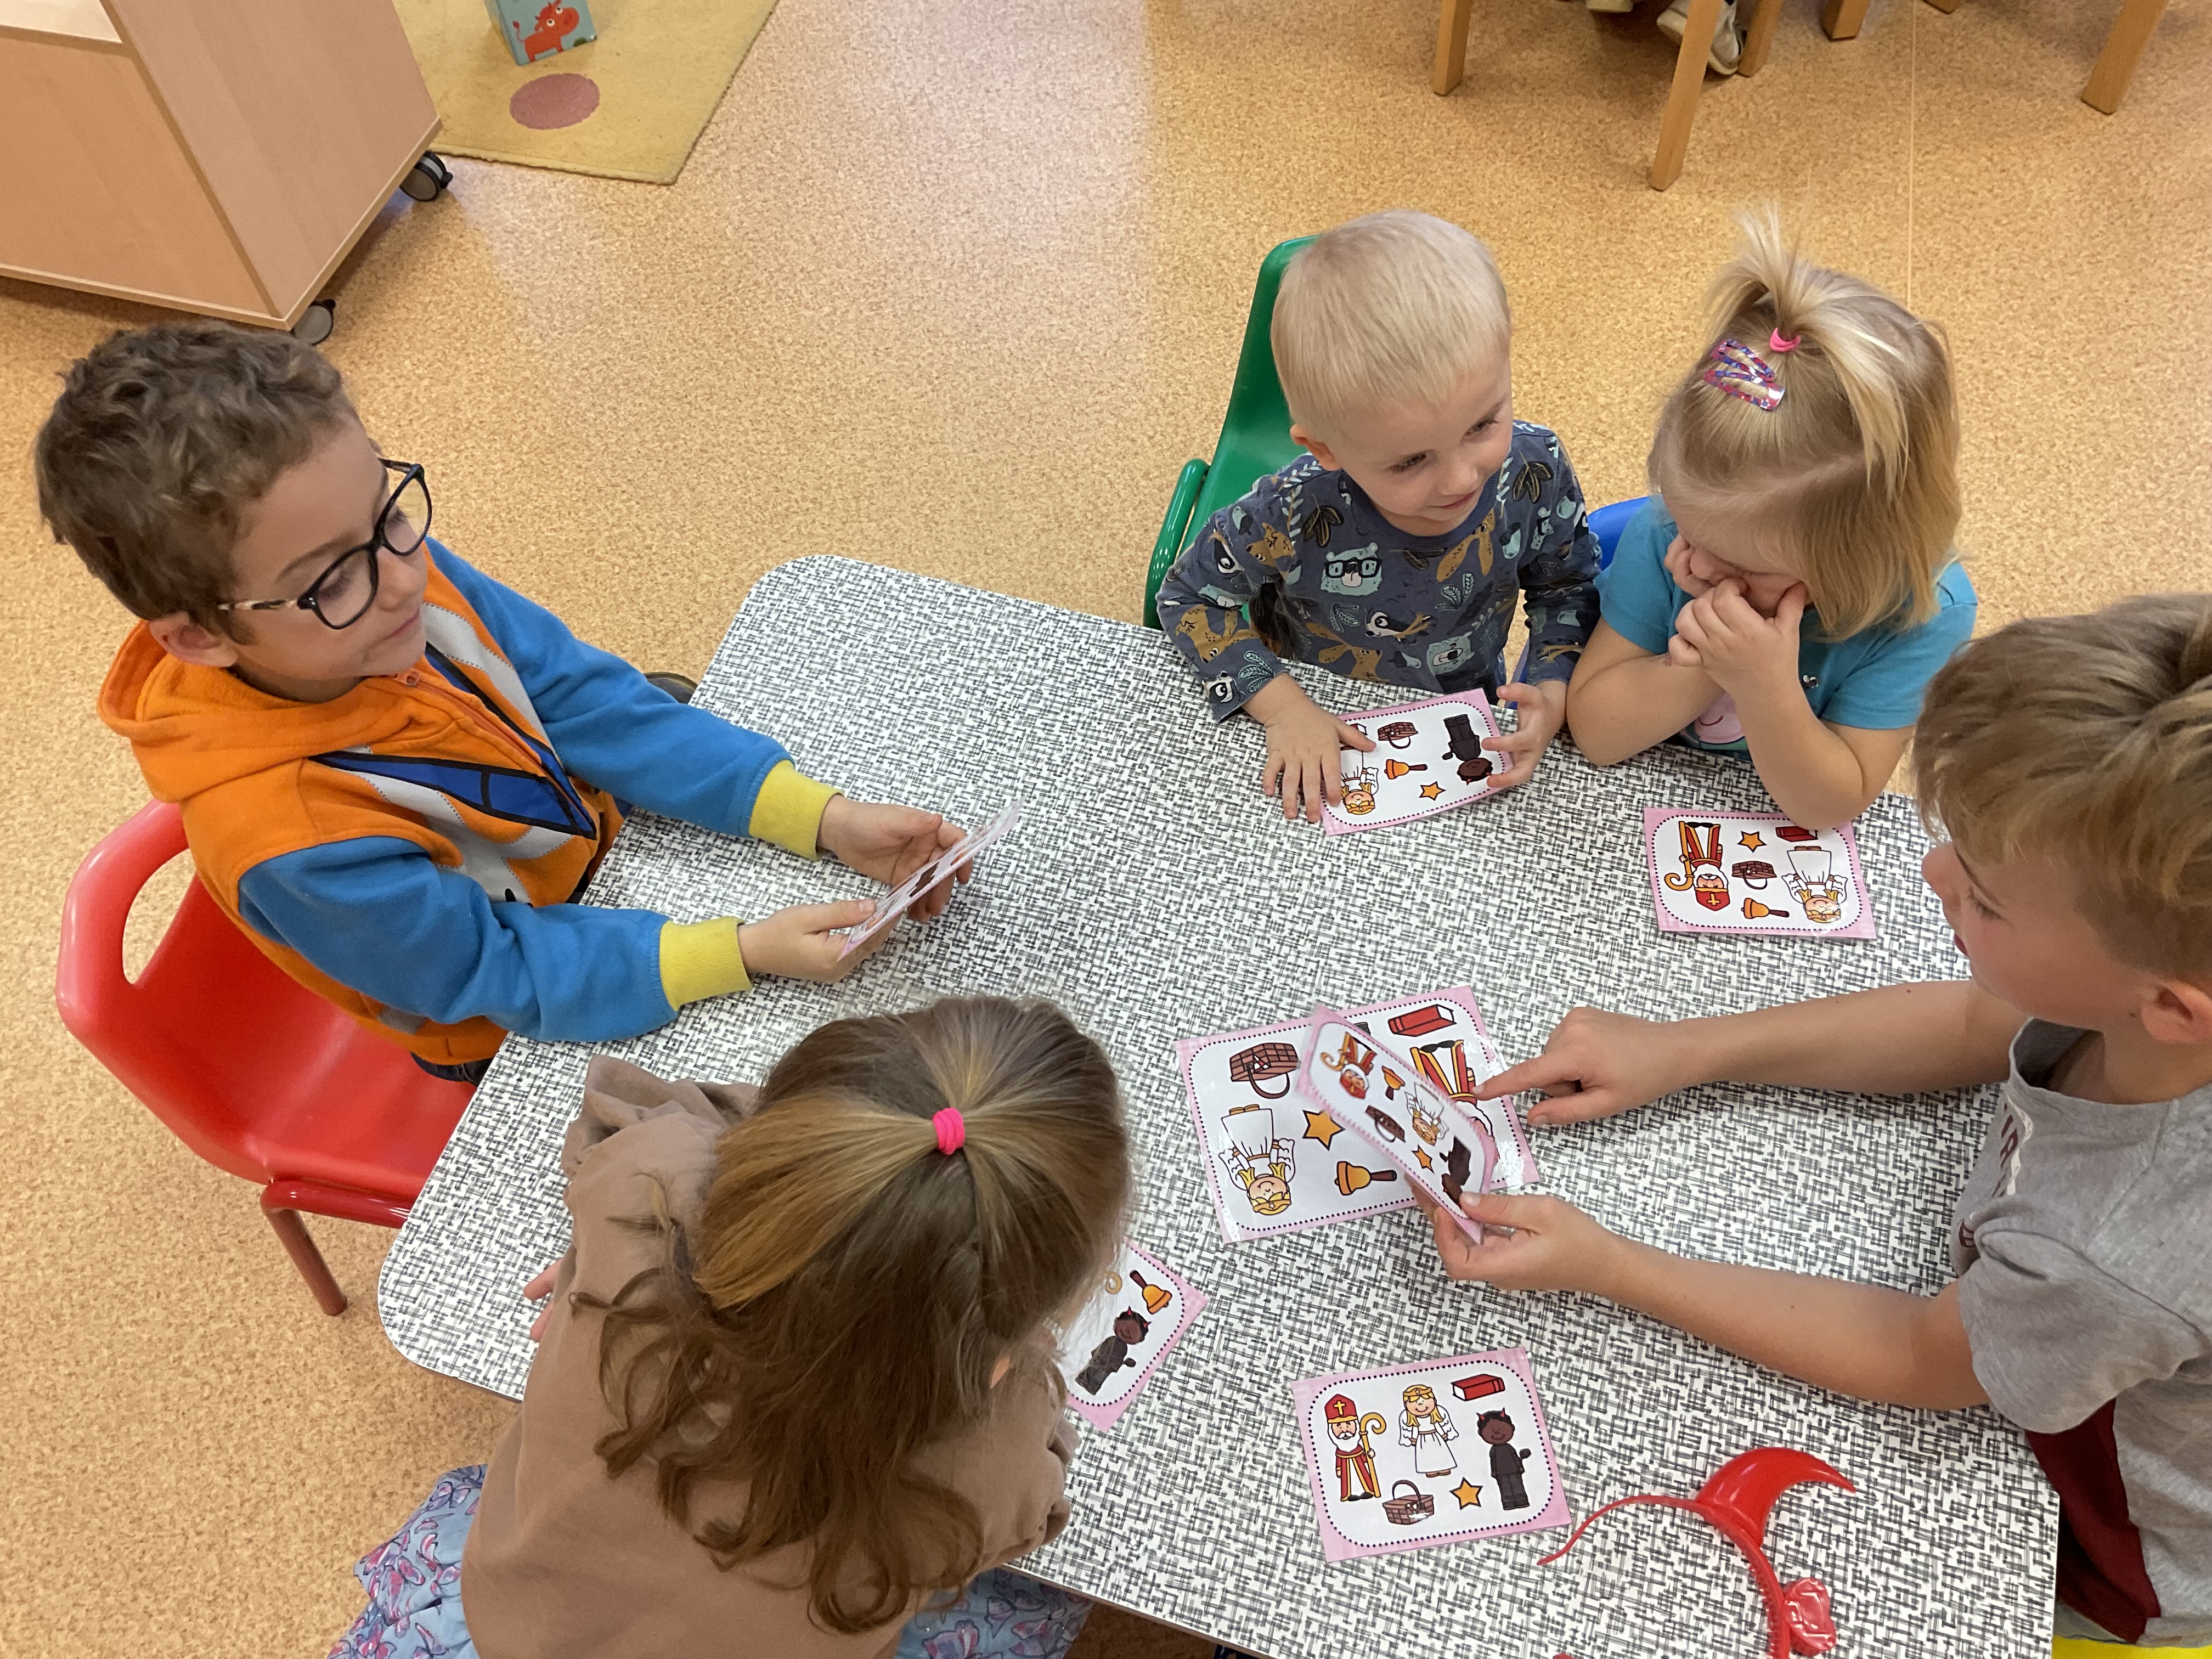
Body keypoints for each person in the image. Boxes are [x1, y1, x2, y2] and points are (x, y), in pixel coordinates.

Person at [1424, 597, 2212, 1649]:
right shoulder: (2146, 1006)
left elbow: (1919, 1356)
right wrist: (1684, 1049)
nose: (1929, 873)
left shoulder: (2107, 1252)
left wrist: (1610, 1262)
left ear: (2169, 1008)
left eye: (1982, 897)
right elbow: (1977, 1022)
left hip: (2109, 1550)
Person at [37, 323, 965, 1084]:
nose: (404, 579)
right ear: (199, 636)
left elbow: (577, 695)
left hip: (576, 859)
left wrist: (821, 817)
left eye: (389, 513)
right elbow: (495, 973)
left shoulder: (383, 584)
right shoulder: (292, 839)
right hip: (498, 1017)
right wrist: (741, 952)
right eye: (332, 578)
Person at [328, 996, 1133, 1658]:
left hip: (511, 1624)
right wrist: (1021, 1376)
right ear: (1001, 1352)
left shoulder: (643, 1191)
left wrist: (843, 1173)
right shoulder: (995, 1453)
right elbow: (1037, 1506)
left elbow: (624, 1111)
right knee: (1043, 1606)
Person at [1154, 210, 1600, 822]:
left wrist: (1551, 689)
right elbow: (1187, 596)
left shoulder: (1535, 468)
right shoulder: (1293, 509)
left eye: (1482, 425)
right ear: (1326, 449)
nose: (1461, 479)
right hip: (1323, 712)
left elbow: (1567, 586)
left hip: (1460, 721)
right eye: (1411, 460)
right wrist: (1284, 709)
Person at [1566, 211, 1976, 830]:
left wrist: (1763, 685)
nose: (1695, 563)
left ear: (1864, 553)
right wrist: (1708, 662)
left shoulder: (1923, 614)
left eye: (1742, 565)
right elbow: (1596, 734)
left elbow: (1827, 810)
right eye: (1688, 529)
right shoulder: (1665, 537)